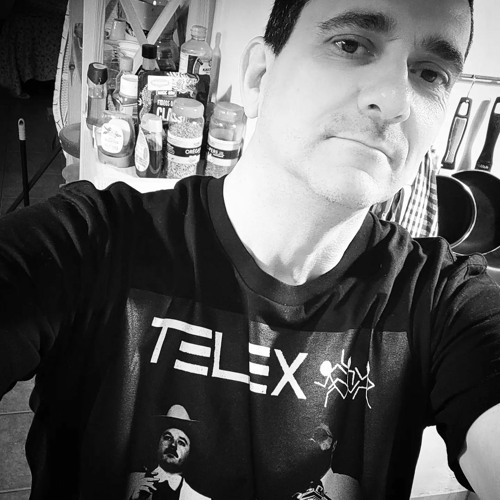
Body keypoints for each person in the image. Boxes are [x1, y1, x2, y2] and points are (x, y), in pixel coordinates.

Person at [1, 0, 500, 499]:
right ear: (260, 73)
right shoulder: (93, 242)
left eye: (430, 73)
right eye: (350, 45)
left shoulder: (442, 302)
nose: (395, 101)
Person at [127, 405, 210, 500]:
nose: (173, 445)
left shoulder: (199, 499)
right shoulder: (130, 483)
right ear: (158, 443)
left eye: (181, 443)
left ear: (189, 453)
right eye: (168, 438)